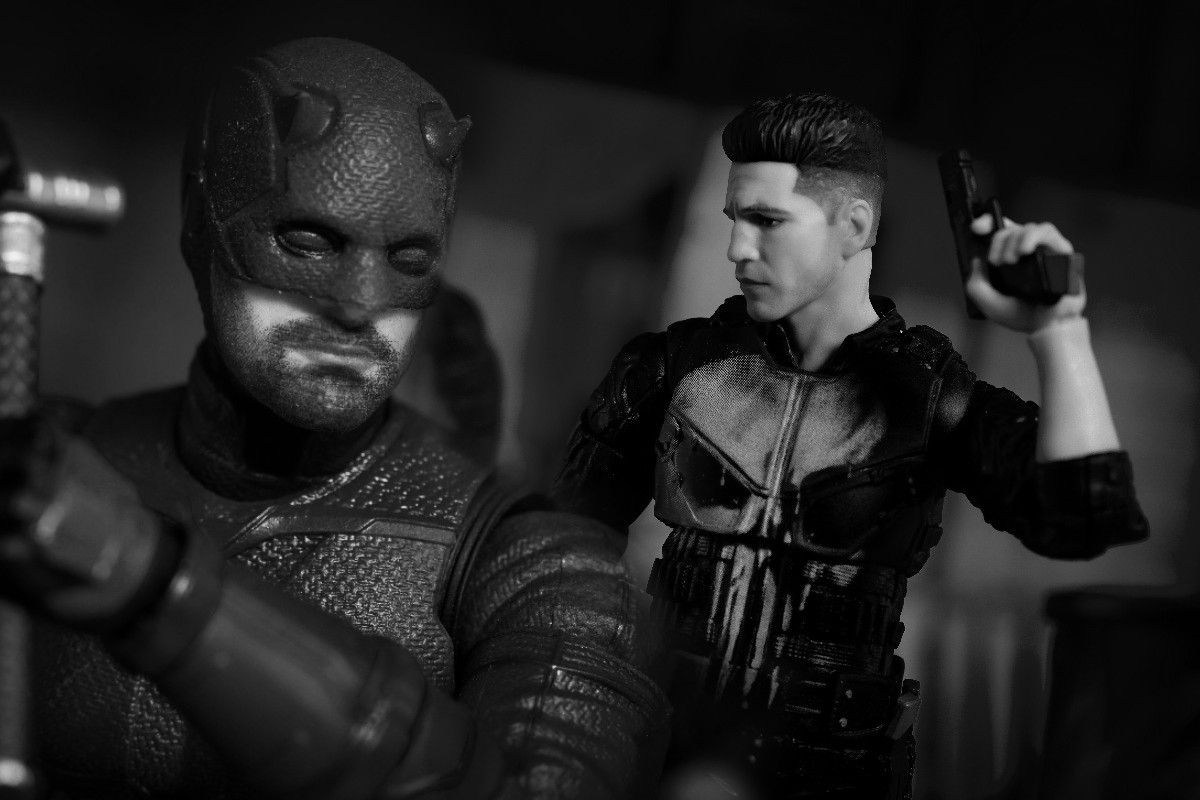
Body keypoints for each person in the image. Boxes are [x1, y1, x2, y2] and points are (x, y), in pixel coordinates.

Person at [0, 37, 668, 800]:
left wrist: (158, 587)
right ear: (200, 221)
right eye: (309, 242)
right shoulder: (43, 460)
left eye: (408, 261)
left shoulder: (533, 562)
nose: (358, 305)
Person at [550, 93, 1149, 799]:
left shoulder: (930, 395)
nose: (739, 248)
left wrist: (1058, 330)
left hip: (829, 771)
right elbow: (558, 553)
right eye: (734, 219)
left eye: (768, 221)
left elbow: (1085, 517)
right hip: (653, 747)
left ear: (854, 225)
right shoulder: (673, 366)